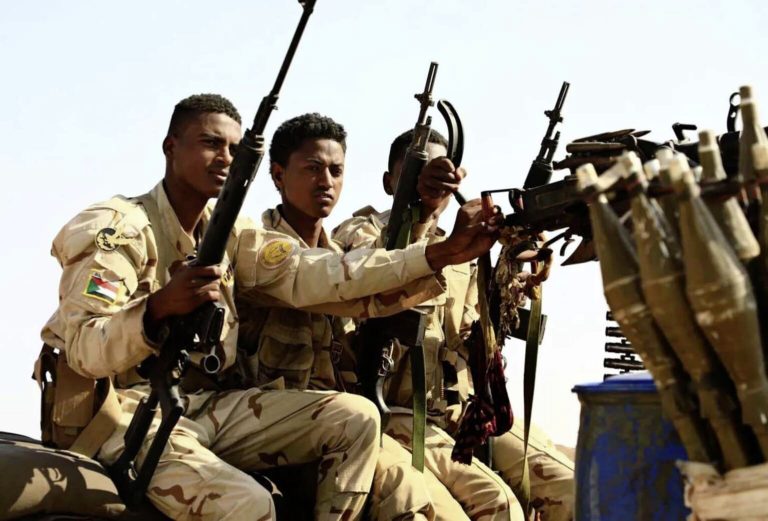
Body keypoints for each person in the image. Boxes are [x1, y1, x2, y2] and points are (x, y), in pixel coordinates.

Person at [39, 94, 501, 521]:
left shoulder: (232, 236)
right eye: (210, 143)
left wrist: (437, 253)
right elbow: (83, 348)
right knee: (249, 504)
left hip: (208, 405)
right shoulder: (120, 228)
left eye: (234, 149)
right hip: (131, 411)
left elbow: (318, 273)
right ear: (170, 147)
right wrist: (157, 309)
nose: (224, 158)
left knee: (357, 416)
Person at [237, 112, 479, 521]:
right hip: (274, 425)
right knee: (407, 496)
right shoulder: (260, 251)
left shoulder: (338, 255)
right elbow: (344, 277)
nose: (325, 182)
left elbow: (375, 276)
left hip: (344, 424)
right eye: (312, 169)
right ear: (278, 175)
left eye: (336, 171)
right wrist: (432, 239)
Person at [333, 129, 576, 521]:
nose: (432, 184)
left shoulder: (463, 251)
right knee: (498, 507)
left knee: (571, 488)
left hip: (458, 413)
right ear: (390, 182)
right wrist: (422, 218)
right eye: (418, 174)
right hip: (394, 412)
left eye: (441, 174)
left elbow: (476, 337)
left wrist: (511, 275)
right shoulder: (360, 232)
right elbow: (373, 271)